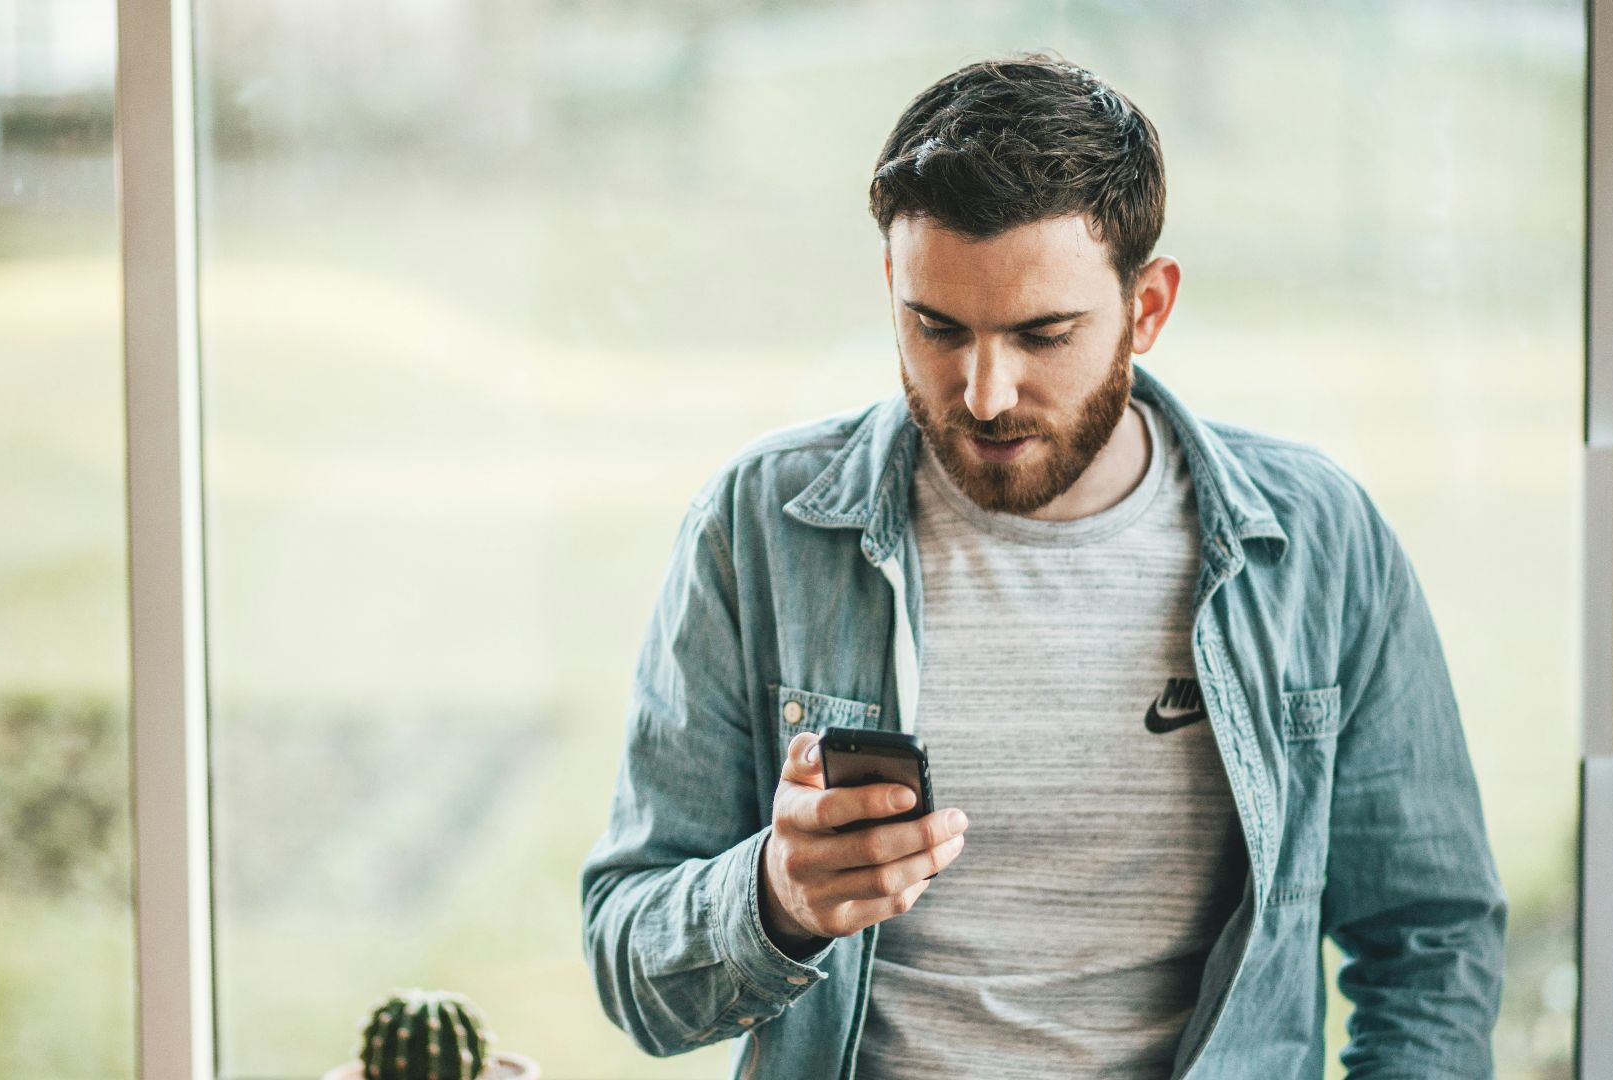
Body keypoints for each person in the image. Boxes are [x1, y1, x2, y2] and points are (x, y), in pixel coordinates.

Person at [580, 51, 1506, 1080]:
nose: (982, 392)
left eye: (1043, 334)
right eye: (937, 328)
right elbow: (634, 969)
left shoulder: (1318, 542)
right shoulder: (760, 526)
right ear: (892, 284)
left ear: (1146, 307)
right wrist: (777, 899)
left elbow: (1431, 943)